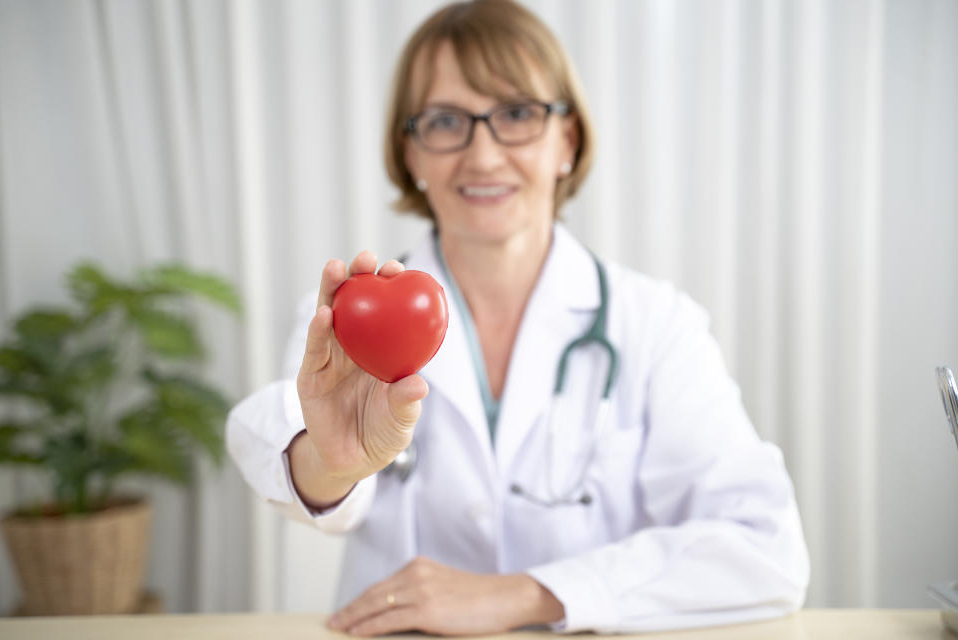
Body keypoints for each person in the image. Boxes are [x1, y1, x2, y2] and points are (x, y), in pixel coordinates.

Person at [226, 0, 809, 635]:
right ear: (411, 152)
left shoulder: (657, 326)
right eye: (447, 121)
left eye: (516, 115)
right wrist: (333, 464)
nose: (482, 155)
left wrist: (529, 594)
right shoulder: (349, 321)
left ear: (569, 139)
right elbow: (269, 432)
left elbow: (766, 549)